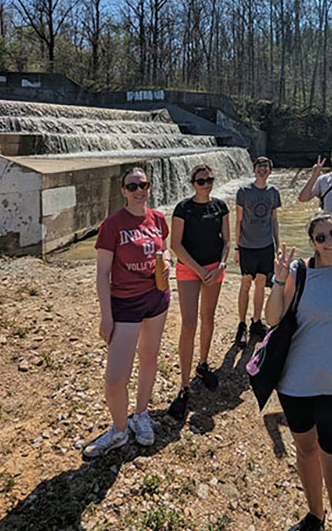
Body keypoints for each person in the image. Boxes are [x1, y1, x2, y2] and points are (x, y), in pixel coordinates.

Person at [265, 213, 332, 531]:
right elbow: (272, 319)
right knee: (306, 451)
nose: (329, 241)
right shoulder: (299, 271)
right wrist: (278, 280)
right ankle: (315, 516)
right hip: (295, 383)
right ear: (313, 242)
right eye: (321, 237)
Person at [84, 166, 171, 457]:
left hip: (156, 298)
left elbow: (164, 249)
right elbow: (102, 273)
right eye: (132, 186)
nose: (138, 191)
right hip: (125, 304)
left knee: (149, 359)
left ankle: (141, 414)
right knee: (115, 379)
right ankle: (119, 430)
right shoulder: (112, 225)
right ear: (123, 191)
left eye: (143, 185)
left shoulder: (158, 218)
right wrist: (106, 316)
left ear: (149, 188)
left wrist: (167, 261)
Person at [167, 164, 230, 419]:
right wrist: (198, 269)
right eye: (201, 180)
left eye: (209, 179)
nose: (206, 183)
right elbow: (175, 245)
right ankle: (183, 385)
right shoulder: (183, 208)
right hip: (189, 270)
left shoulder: (220, 206)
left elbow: (226, 240)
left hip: (215, 269)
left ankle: (203, 365)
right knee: (189, 323)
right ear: (193, 183)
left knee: (208, 318)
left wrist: (222, 265)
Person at [234, 156, 281, 348]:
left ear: (270, 171)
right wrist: (236, 248)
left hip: (265, 246)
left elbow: (274, 220)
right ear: (254, 170)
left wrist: (277, 246)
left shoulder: (273, 192)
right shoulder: (243, 192)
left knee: (261, 283)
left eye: (266, 167)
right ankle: (242, 324)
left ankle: (255, 321)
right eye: (260, 166)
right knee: (246, 283)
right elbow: (238, 221)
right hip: (246, 246)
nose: (263, 170)